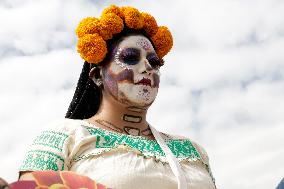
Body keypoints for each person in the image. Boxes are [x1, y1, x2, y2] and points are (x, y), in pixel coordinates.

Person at [18, 5, 216, 189]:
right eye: (130, 58)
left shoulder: (193, 151)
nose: (147, 67)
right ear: (97, 76)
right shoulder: (65, 135)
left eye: (154, 62)